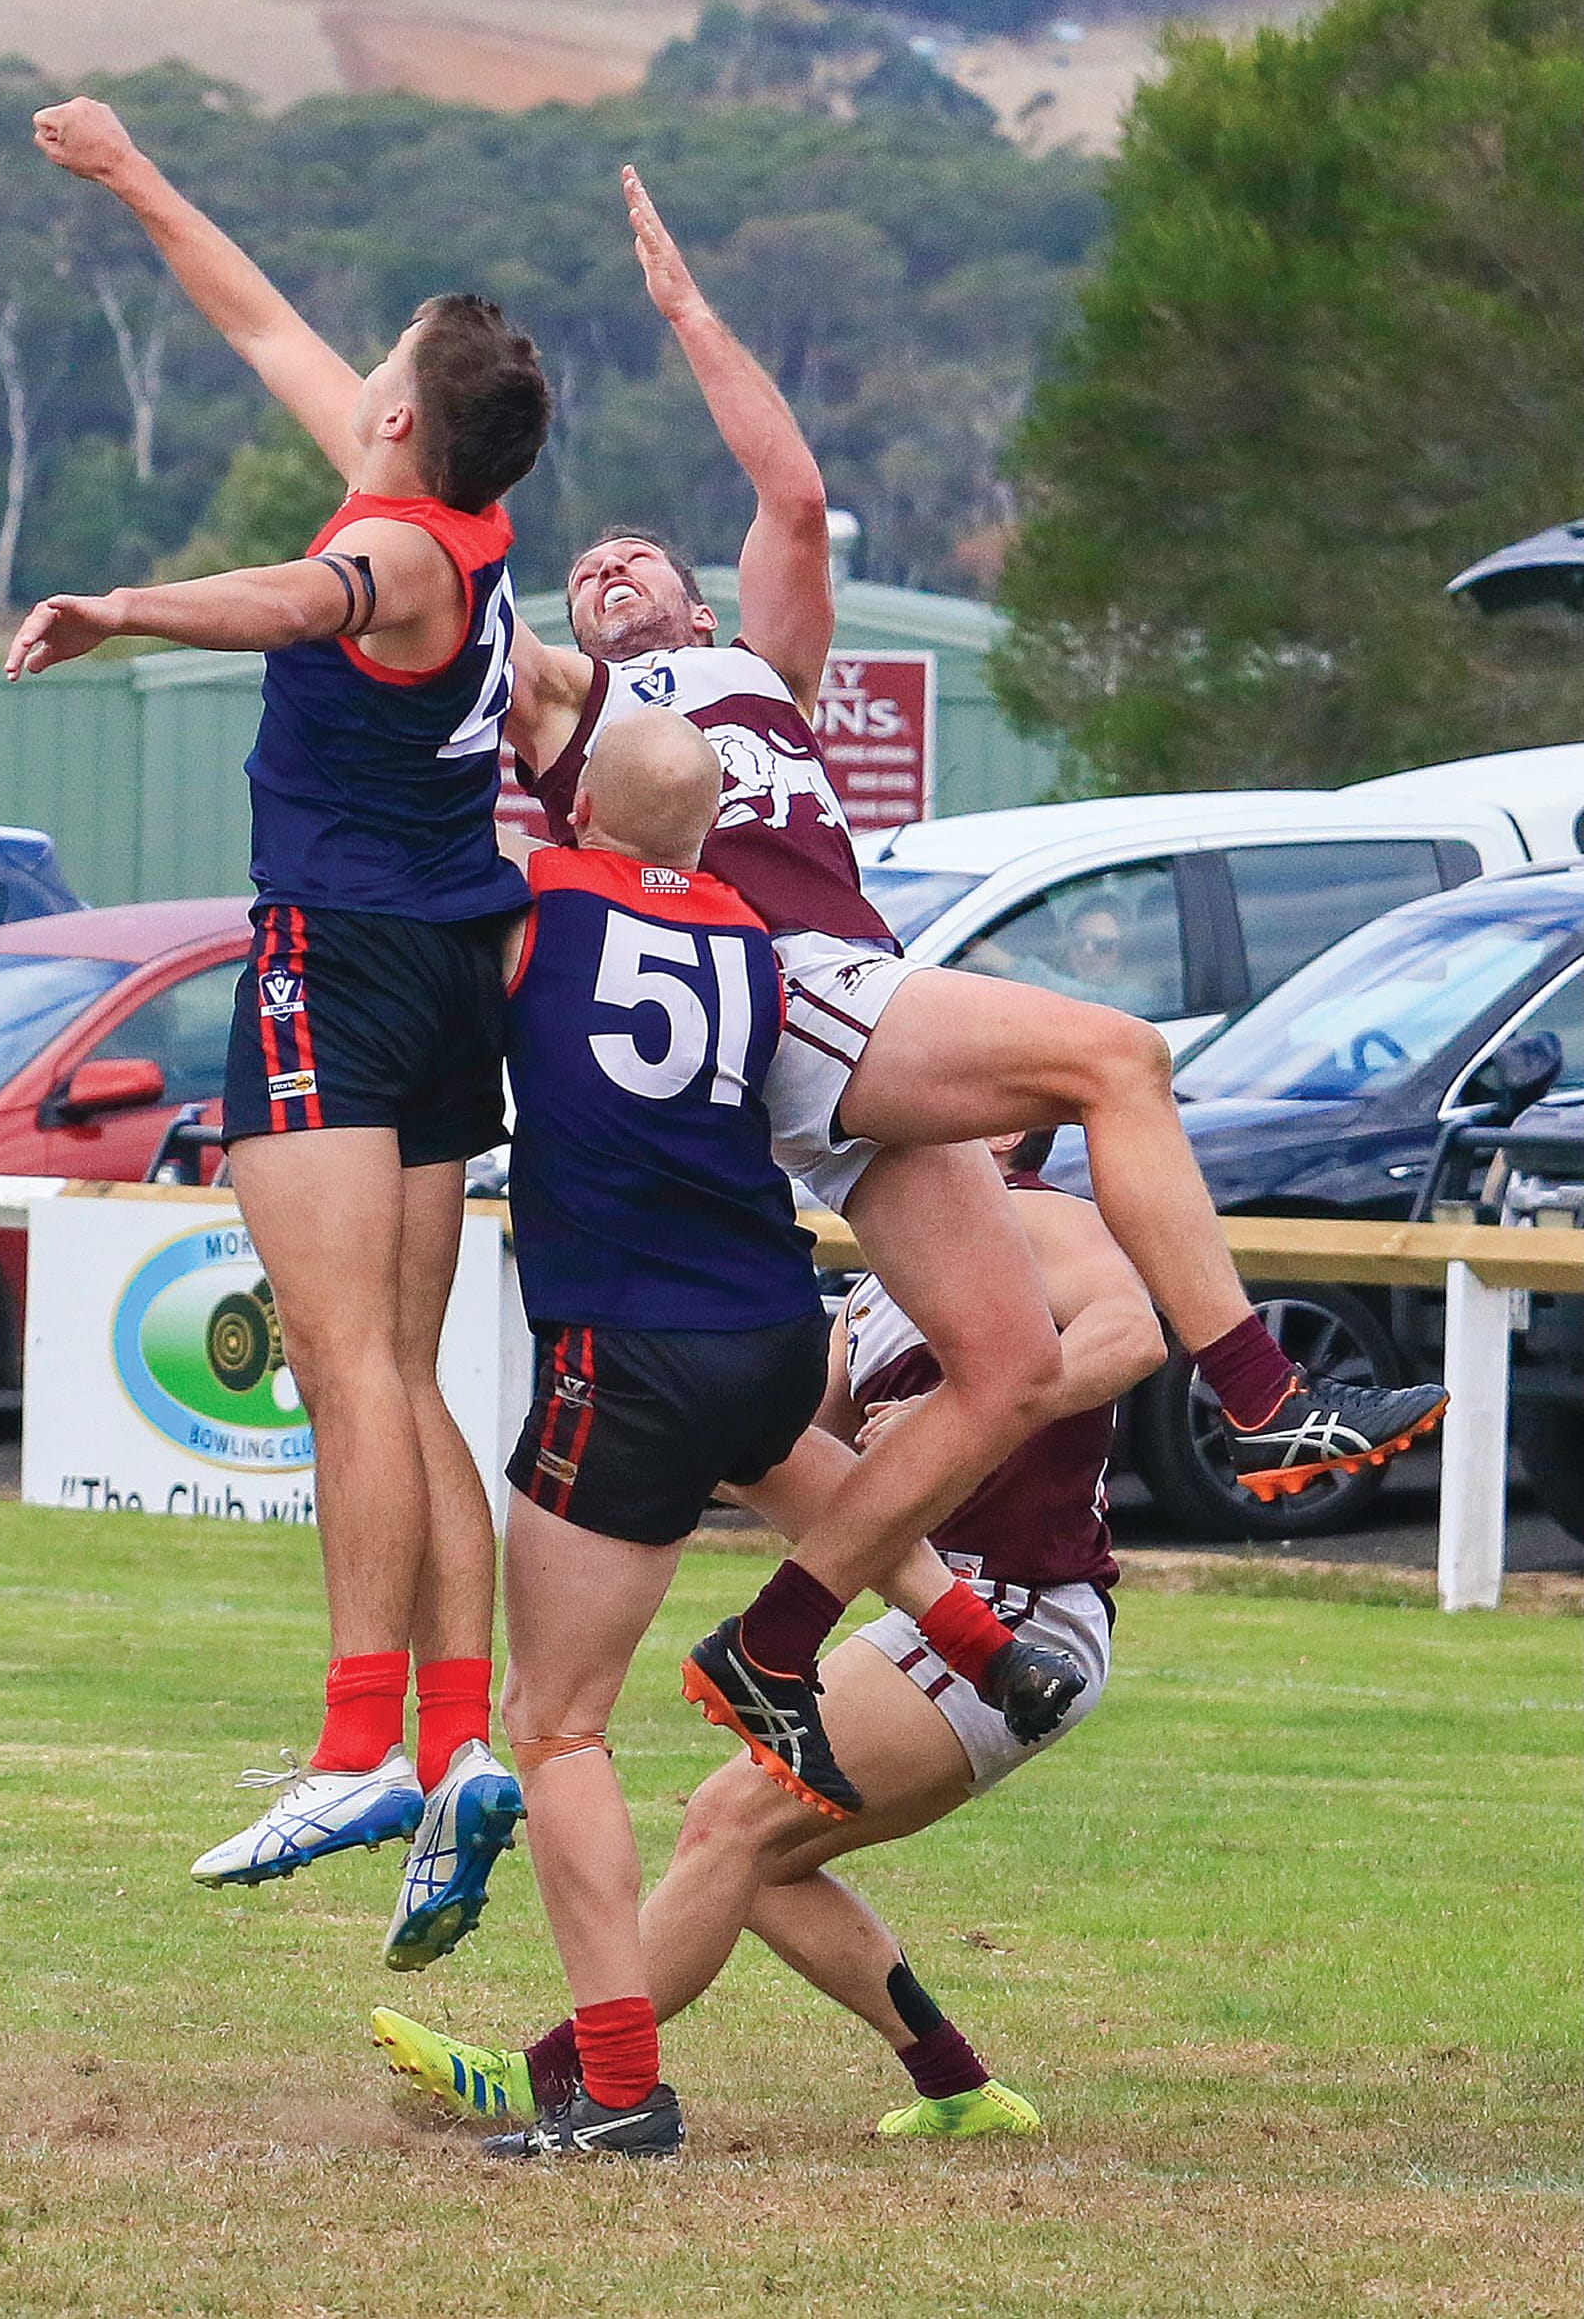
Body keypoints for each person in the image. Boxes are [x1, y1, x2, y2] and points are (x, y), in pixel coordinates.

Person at [503, 165, 1447, 1811]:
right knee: (1119, 1055)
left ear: (697, 595)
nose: (607, 569)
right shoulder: (580, 711)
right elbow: (432, 612)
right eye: (582, 568)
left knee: (1004, 1369)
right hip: (775, 994)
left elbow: (790, 495)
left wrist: (691, 315)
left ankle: (777, 1638)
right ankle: (1266, 1395)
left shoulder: (754, 668)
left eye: (633, 555)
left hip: (858, 1003)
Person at [12, 95, 552, 1969]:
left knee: (341, 1379)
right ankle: (465, 1740)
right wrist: (135, 171)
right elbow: (257, 324)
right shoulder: (465, 517)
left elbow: (294, 600)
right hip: (442, 975)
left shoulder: (394, 556)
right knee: (405, 1379)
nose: (357, 368)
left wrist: (124, 608)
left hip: (336, 958)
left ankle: (354, 1752)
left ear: (399, 413)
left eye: (380, 361)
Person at [371, 1131, 1164, 2147]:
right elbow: (783, 1457)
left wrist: (968, 1408)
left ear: (994, 1130)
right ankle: (958, 2090)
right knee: (760, 1856)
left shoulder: (1034, 1218)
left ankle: (548, 2077)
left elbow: (1129, 1335)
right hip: (938, 1606)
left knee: (728, 1827)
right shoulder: (883, 1279)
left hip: (1017, 1614)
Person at [472, 705, 840, 2159]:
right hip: (770, 1325)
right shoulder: (752, 931)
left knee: (557, 1725)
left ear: (579, 808)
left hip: (624, 1335)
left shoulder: (537, 892)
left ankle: (620, 2085)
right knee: (788, 1472)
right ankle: (978, 1639)